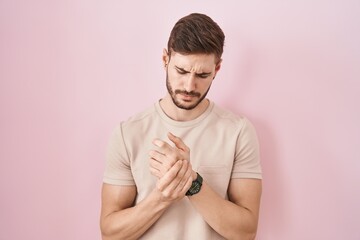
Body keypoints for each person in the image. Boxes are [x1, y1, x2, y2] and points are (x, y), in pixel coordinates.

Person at [100, 13, 262, 240]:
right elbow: (110, 234)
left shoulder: (238, 132)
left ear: (217, 69)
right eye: (182, 71)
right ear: (165, 59)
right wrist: (163, 196)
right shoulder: (128, 134)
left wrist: (192, 183)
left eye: (203, 74)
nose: (189, 85)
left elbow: (246, 232)